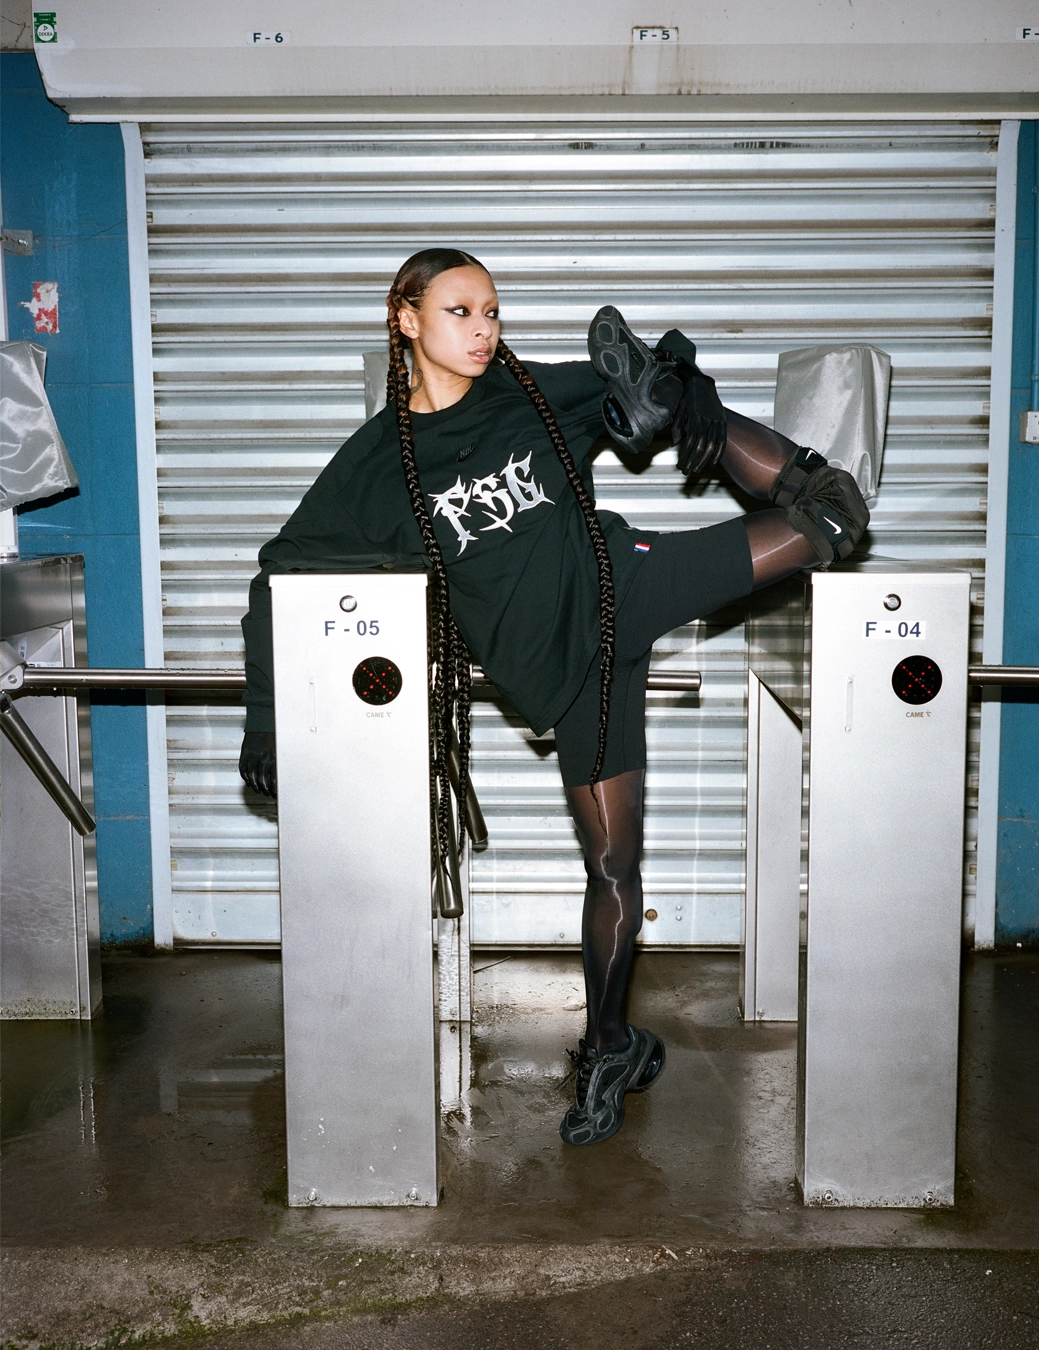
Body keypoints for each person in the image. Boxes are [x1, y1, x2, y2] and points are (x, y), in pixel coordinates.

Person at [239, 247, 868, 1147]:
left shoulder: (527, 390)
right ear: (407, 319)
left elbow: (653, 379)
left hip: (629, 580)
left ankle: (813, 482)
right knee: (611, 862)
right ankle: (614, 1044)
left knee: (819, 510)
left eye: (493, 311)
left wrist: (680, 390)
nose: (484, 330)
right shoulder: (377, 465)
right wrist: (266, 719)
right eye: (461, 311)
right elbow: (279, 575)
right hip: (568, 670)